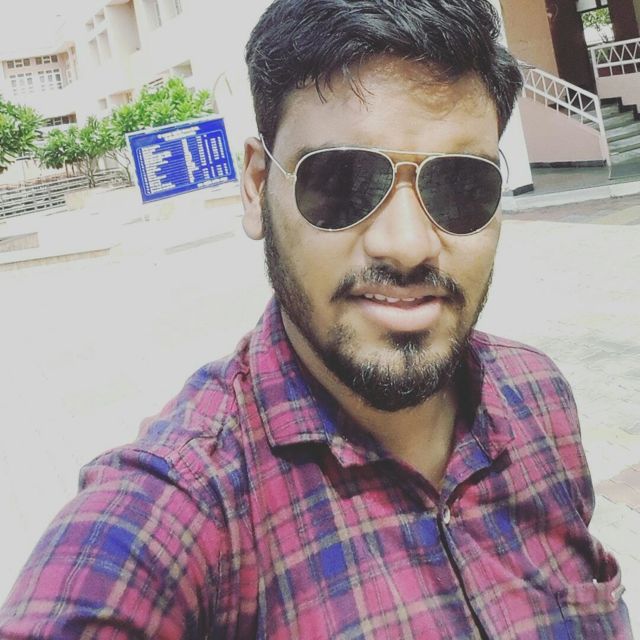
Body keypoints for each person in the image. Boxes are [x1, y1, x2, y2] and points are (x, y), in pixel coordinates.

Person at [0, 0, 633, 638]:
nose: (407, 245)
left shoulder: (538, 398)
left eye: (460, 185)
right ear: (256, 187)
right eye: (342, 181)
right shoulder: (187, 505)